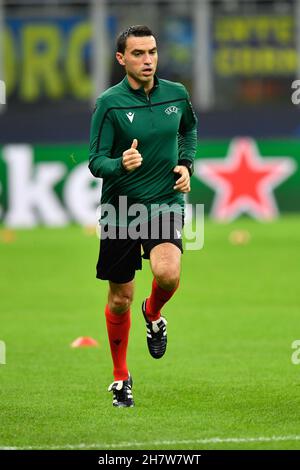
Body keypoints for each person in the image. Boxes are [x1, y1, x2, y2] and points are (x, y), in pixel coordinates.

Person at [89, 25, 197, 407]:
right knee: (120, 298)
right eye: (138, 53)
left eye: (151, 52)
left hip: (165, 202)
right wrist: (121, 163)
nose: (148, 59)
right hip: (120, 210)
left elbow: (189, 131)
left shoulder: (177, 94)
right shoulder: (109, 104)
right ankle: (121, 377)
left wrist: (186, 164)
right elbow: (95, 162)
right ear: (121, 59)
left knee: (168, 273)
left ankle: (153, 313)